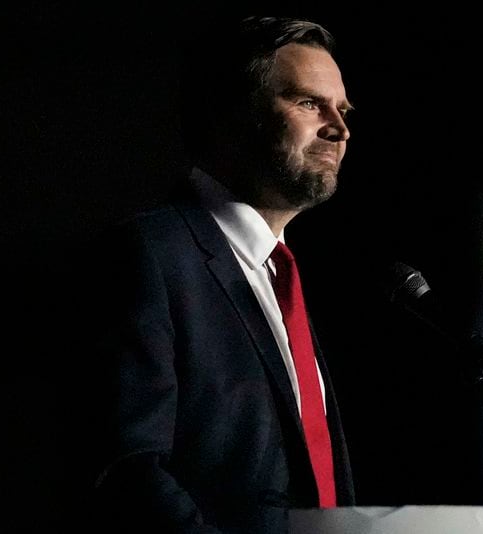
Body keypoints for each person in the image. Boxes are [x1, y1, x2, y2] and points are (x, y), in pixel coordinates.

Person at [88, 15, 355, 533]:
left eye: (342, 110)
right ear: (233, 114)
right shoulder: (150, 255)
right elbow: (128, 467)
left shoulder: (286, 283)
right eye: (308, 103)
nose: (339, 129)